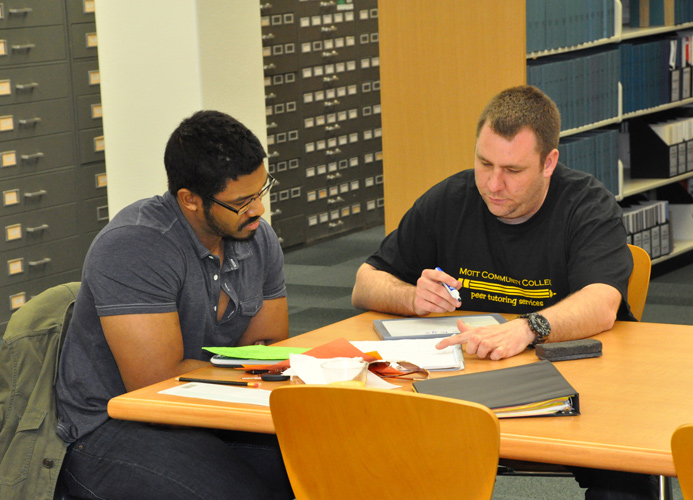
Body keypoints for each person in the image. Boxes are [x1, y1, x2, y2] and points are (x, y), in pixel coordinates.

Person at [352, 85, 658, 499]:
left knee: (627, 478)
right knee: (377, 458)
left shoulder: (587, 206)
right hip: (463, 391)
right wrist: (411, 298)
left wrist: (527, 328)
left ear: (549, 162)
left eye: (513, 171)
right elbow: (365, 281)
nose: (493, 184)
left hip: (576, 388)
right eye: (484, 163)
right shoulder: (451, 199)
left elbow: (602, 303)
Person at [55, 110, 293, 500]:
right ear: (190, 200)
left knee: (327, 464)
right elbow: (155, 383)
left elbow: (269, 345)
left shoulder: (255, 236)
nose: (259, 210)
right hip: (114, 424)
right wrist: (250, 370)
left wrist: (253, 368)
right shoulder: (135, 245)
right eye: (242, 201)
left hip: (214, 408)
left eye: (261, 191)